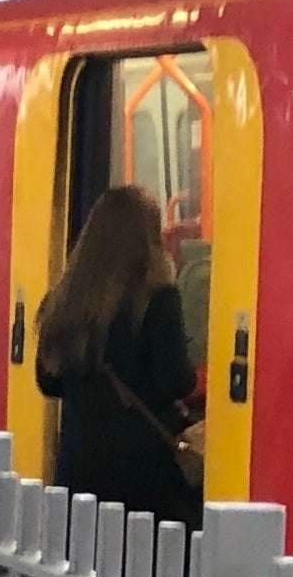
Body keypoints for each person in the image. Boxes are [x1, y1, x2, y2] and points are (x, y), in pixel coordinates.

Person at [34, 181, 203, 526]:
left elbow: (48, 382)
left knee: (84, 569)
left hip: (79, 470)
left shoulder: (63, 301)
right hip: (145, 478)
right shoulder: (157, 297)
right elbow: (177, 381)